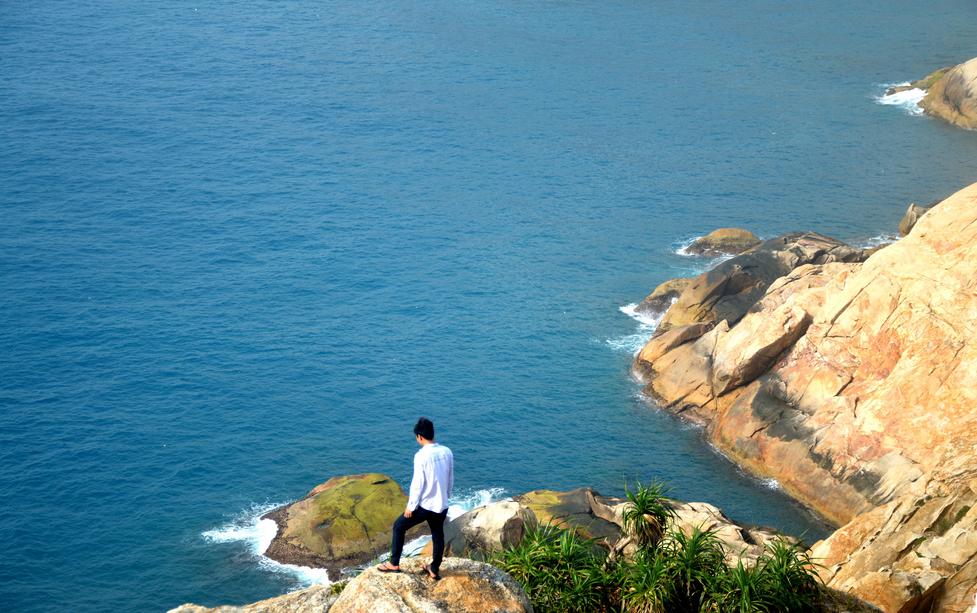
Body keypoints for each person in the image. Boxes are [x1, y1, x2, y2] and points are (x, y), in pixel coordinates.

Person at [376, 417, 454, 580]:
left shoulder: (421, 456)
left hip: (425, 506)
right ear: (432, 434)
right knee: (438, 535)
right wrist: (446, 496)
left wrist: (411, 507)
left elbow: (418, 484)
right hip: (441, 503)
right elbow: (450, 476)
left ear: (419, 436)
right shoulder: (447, 452)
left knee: (399, 526)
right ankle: (434, 569)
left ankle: (394, 563)